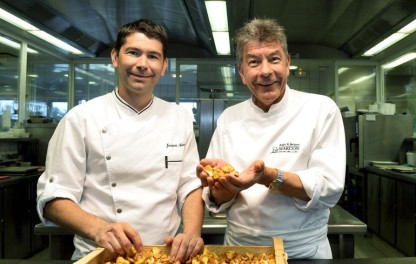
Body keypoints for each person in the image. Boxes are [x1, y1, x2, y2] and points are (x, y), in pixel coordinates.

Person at [36, 18, 204, 261]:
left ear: (164, 65)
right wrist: (99, 228)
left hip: (163, 256)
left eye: (153, 56)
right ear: (115, 57)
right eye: (133, 53)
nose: (143, 64)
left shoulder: (179, 118)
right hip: (101, 255)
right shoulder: (81, 118)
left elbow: (189, 186)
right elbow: (53, 197)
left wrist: (191, 233)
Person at [197, 18, 346, 259]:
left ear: (288, 63)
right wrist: (220, 187)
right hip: (240, 249)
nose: (265, 71)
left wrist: (268, 177)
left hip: (302, 250)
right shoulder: (229, 118)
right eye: (254, 62)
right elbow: (217, 200)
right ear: (242, 73)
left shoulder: (321, 109)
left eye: (274, 59)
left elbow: (329, 186)